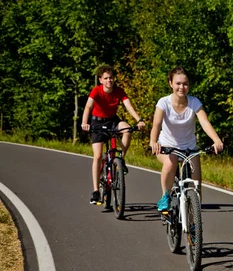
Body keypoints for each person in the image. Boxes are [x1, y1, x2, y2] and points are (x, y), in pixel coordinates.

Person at [149, 66, 224, 211]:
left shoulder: (194, 102)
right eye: (178, 83)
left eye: (185, 84)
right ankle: (165, 196)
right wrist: (153, 141)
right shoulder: (163, 103)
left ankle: (194, 225)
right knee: (170, 164)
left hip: (189, 149)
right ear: (170, 83)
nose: (181, 87)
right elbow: (156, 124)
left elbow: (204, 122)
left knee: (196, 188)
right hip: (166, 147)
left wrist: (216, 140)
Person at [81, 65, 146, 205]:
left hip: (112, 121)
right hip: (97, 123)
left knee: (127, 129)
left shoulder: (119, 91)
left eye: (111, 78)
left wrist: (139, 120)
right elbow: (88, 107)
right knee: (98, 156)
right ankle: (95, 191)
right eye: (106, 78)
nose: (109, 80)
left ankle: (120, 159)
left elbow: (128, 106)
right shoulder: (96, 91)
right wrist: (84, 123)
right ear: (100, 80)